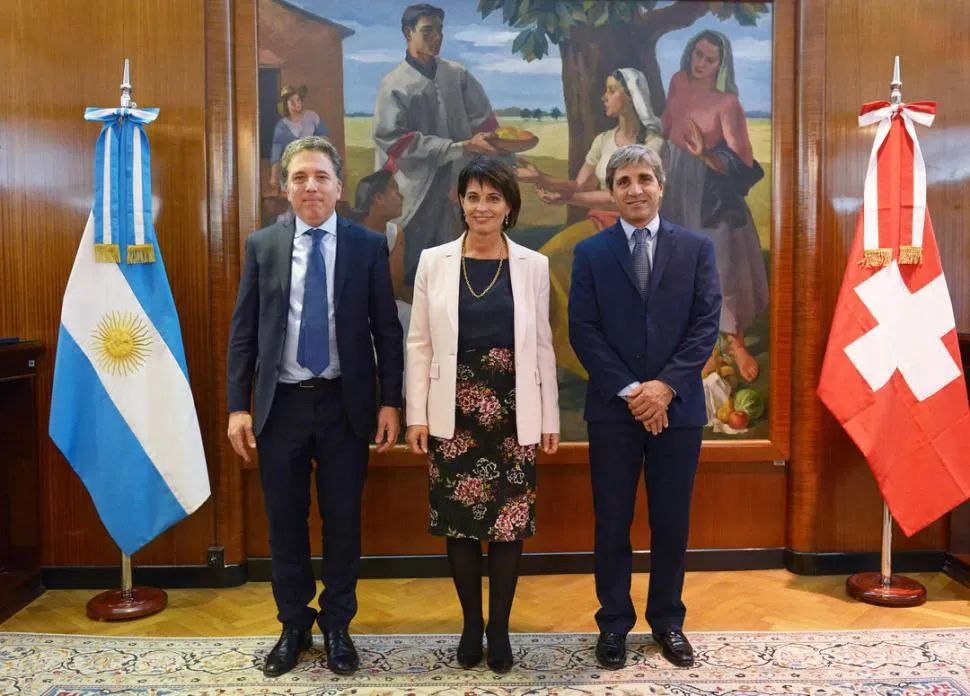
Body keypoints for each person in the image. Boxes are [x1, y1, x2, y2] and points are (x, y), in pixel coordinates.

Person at [227, 136, 403, 677]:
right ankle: (293, 624)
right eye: (300, 177)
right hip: (279, 408)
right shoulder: (263, 245)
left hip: (345, 406)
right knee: (284, 521)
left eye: (321, 177)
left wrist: (390, 401)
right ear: (285, 188)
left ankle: (338, 625)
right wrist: (238, 406)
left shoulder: (367, 246)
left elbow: (387, 332)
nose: (311, 186)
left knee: (343, 521)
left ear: (339, 187)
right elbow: (244, 334)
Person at [568, 144, 721, 670]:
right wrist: (635, 392)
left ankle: (668, 622)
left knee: (671, 521)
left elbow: (705, 327)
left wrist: (664, 389)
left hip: (678, 412)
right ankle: (613, 624)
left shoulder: (697, 248)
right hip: (614, 411)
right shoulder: (590, 253)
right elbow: (582, 331)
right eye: (624, 182)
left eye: (644, 179)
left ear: (661, 185)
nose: (635, 190)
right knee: (612, 520)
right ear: (612, 192)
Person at [405, 158, 560, 673]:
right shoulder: (434, 261)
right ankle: (472, 624)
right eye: (473, 197)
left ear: (509, 206)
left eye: (493, 198)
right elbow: (420, 343)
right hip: (453, 409)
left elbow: (542, 346)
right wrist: (416, 415)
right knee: (462, 524)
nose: (482, 207)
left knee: (509, 524)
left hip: (515, 410)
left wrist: (550, 419)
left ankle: (500, 628)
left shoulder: (533, 265)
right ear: (461, 202)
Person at [515, 68, 664, 378]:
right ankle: (563, 353)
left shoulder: (654, 143)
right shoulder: (603, 140)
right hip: (600, 225)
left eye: (611, 90)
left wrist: (568, 200)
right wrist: (539, 177)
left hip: (634, 233)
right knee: (543, 263)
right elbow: (578, 186)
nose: (603, 97)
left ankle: (594, 364)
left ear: (630, 96)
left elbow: (622, 200)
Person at [660, 30, 767, 382]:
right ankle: (701, 345)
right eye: (698, 54)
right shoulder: (677, 81)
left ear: (722, 64)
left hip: (710, 192)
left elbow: (744, 164)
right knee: (680, 264)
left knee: (717, 267)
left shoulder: (727, 103)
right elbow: (666, 125)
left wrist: (704, 154)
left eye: (710, 58)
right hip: (674, 183)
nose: (701, 63)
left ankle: (733, 341)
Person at [373, 3, 500, 286]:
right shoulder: (394, 84)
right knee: (409, 268)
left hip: (457, 182)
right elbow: (395, 141)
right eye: (427, 30)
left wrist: (490, 144)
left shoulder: (457, 74)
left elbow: (484, 123)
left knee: (456, 264)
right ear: (408, 32)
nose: (436, 37)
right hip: (415, 188)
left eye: (439, 30)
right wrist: (461, 147)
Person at [268, 85, 329, 195]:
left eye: (298, 100)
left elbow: (324, 138)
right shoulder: (281, 127)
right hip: (291, 170)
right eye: (292, 101)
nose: (297, 103)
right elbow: (276, 153)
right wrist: (274, 176)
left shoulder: (312, 117)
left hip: (312, 166)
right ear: (285, 105)